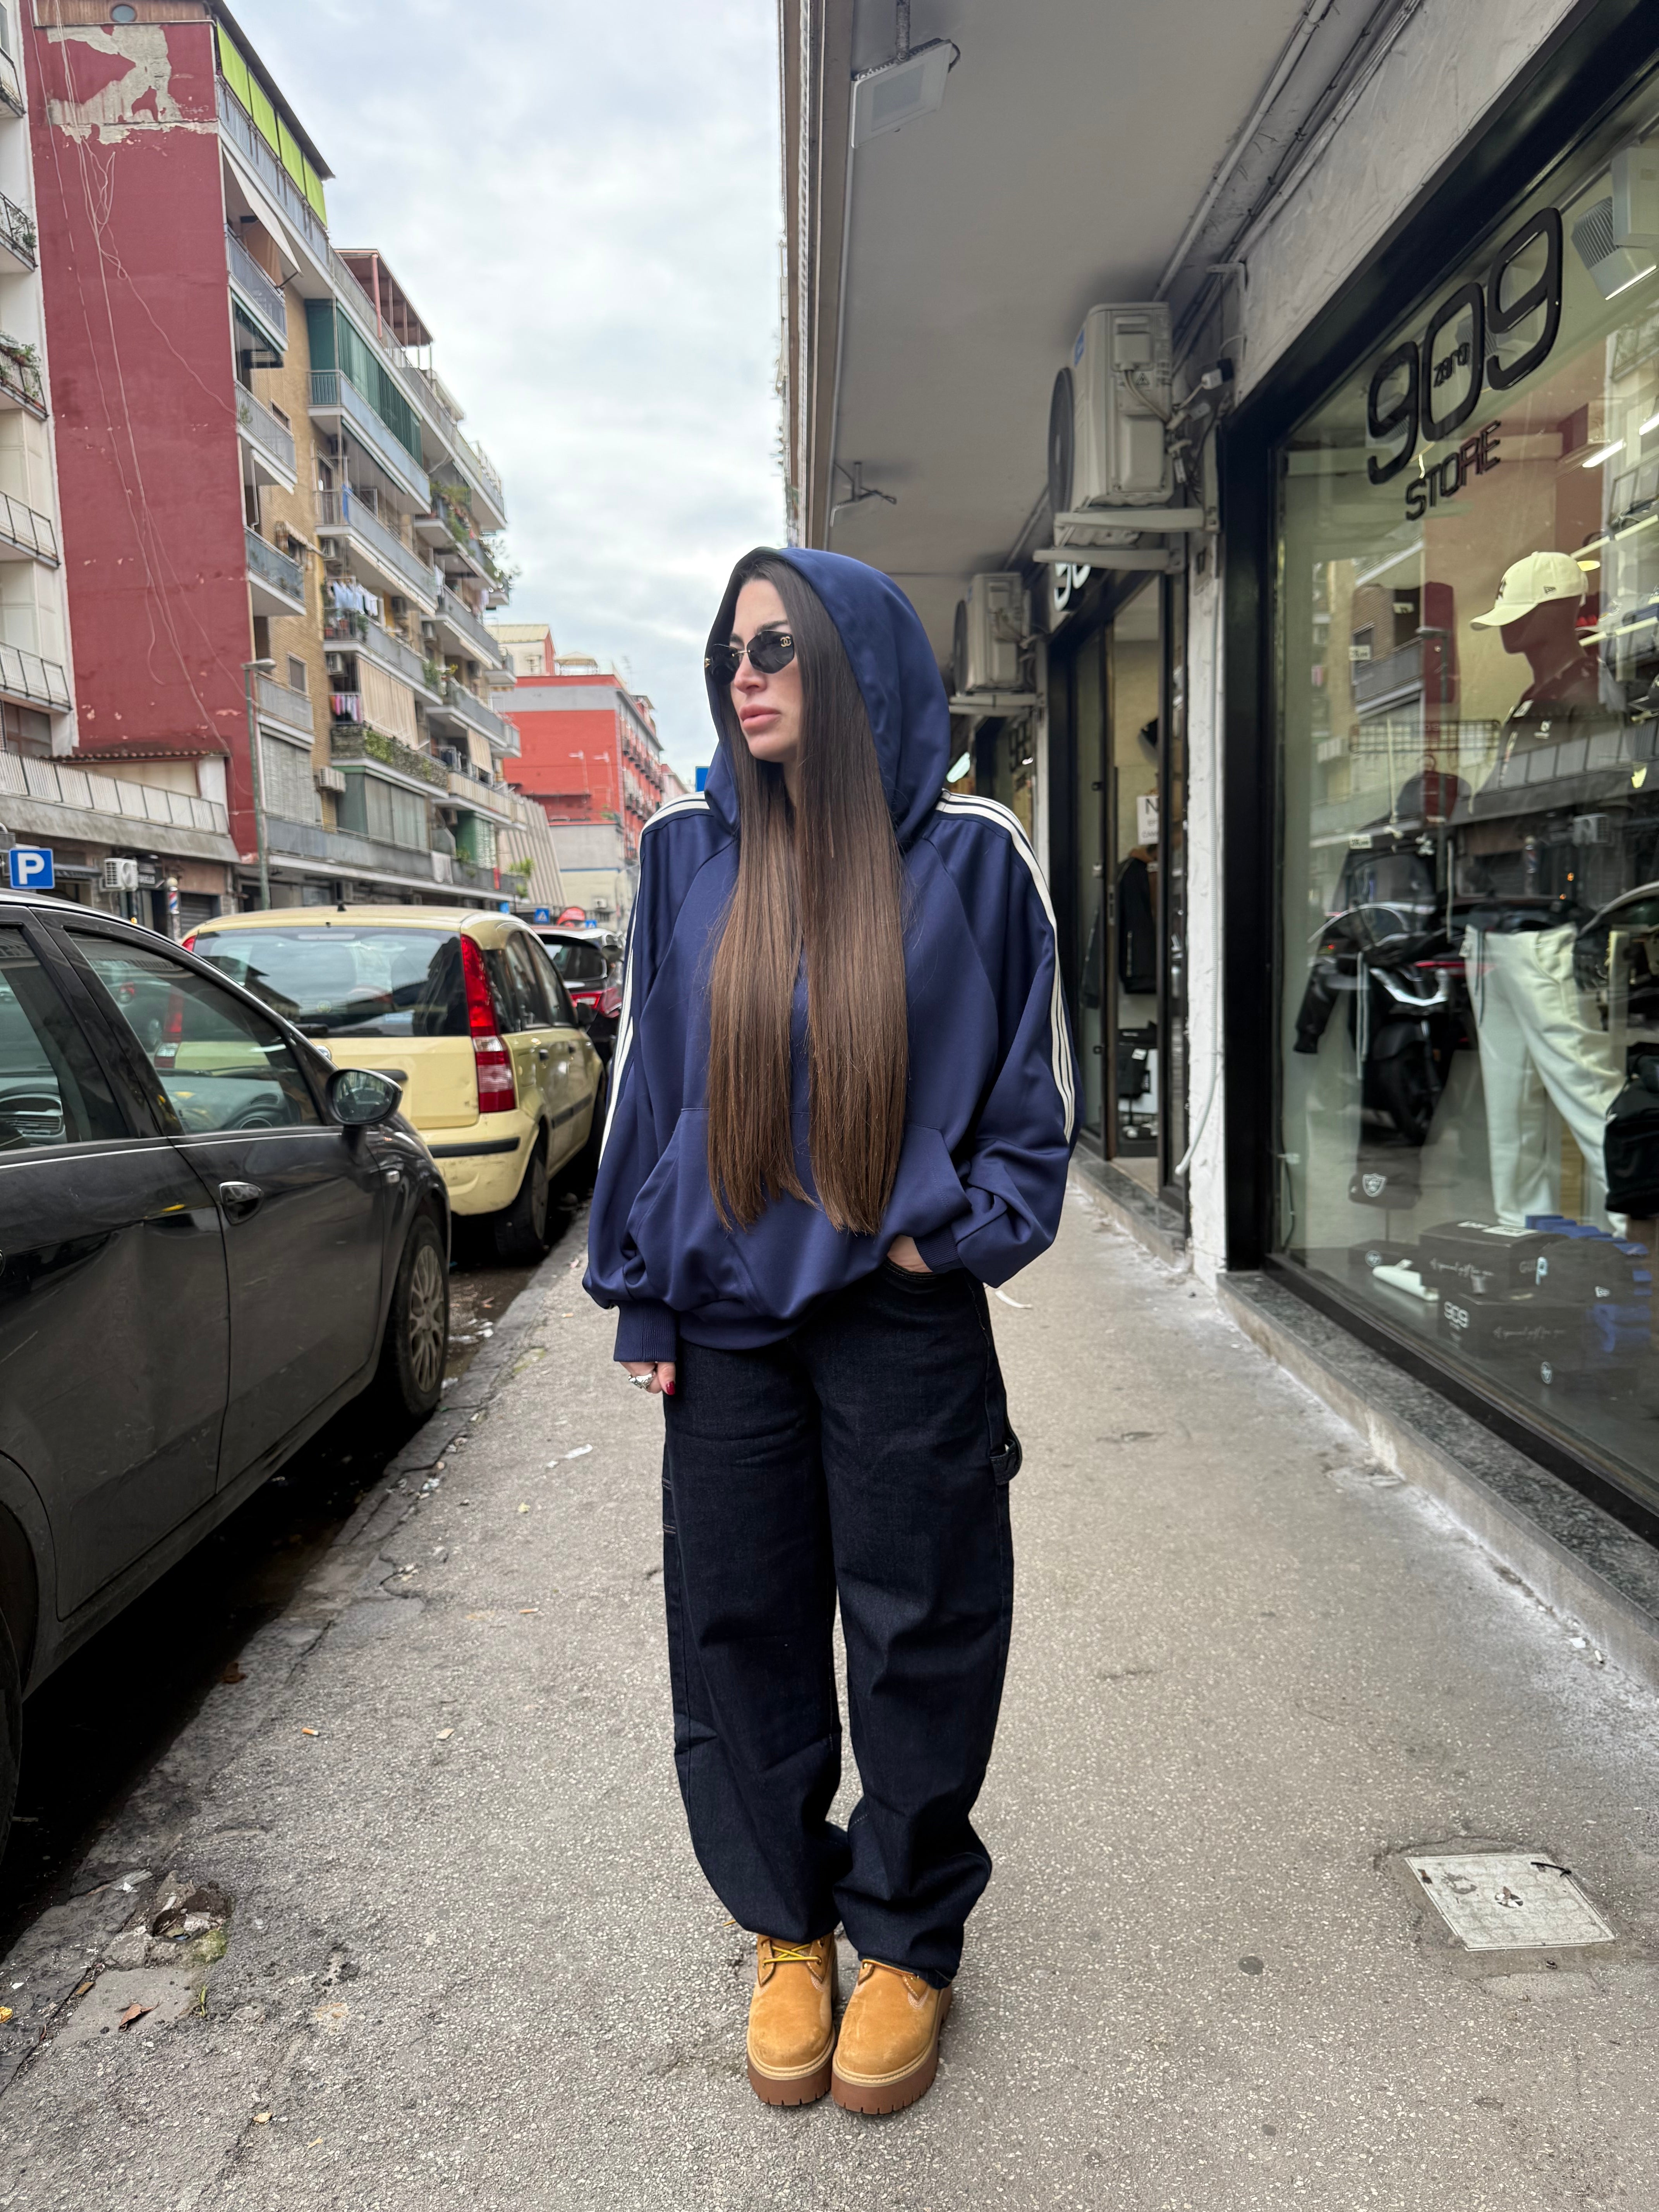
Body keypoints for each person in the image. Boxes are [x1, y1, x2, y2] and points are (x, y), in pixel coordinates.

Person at [584, 547, 1077, 2116]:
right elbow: (648, 1086)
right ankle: (787, 1925)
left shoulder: (973, 856)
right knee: (740, 1624)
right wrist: (642, 1285)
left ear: (853, 662)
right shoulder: (682, 848)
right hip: (727, 1318)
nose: (745, 677)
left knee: (924, 1623)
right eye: (730, 652)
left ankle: (908, 1936)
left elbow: (1033, 1095)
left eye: (777, 647)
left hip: (897, 1312)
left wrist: (953, 1239)